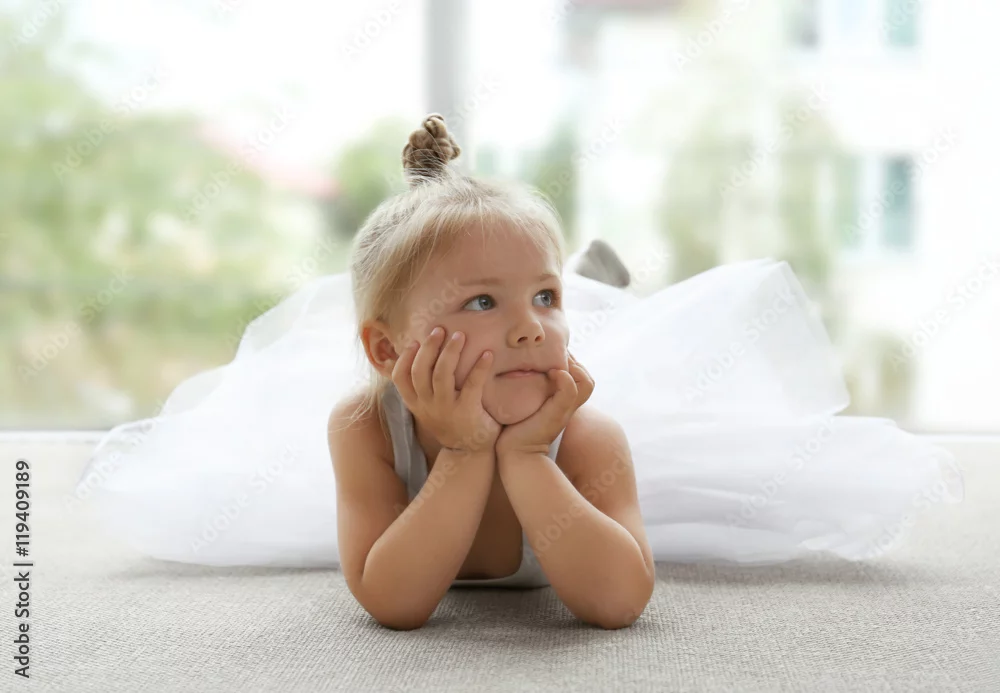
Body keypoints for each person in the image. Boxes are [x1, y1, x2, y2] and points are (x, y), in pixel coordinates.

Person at [77, 114, 963, 631]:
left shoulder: (590, 435)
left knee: (643, 379)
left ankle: (594, 283)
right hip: (425, 427)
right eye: (480, 302)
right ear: (387, 353)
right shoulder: (363, 428)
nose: (532, 326)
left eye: (545, 297)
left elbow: (619, 602)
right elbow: (392, 601)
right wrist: (465, 453)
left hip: (560, 432)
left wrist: (530, 456)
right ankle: (585, 277)